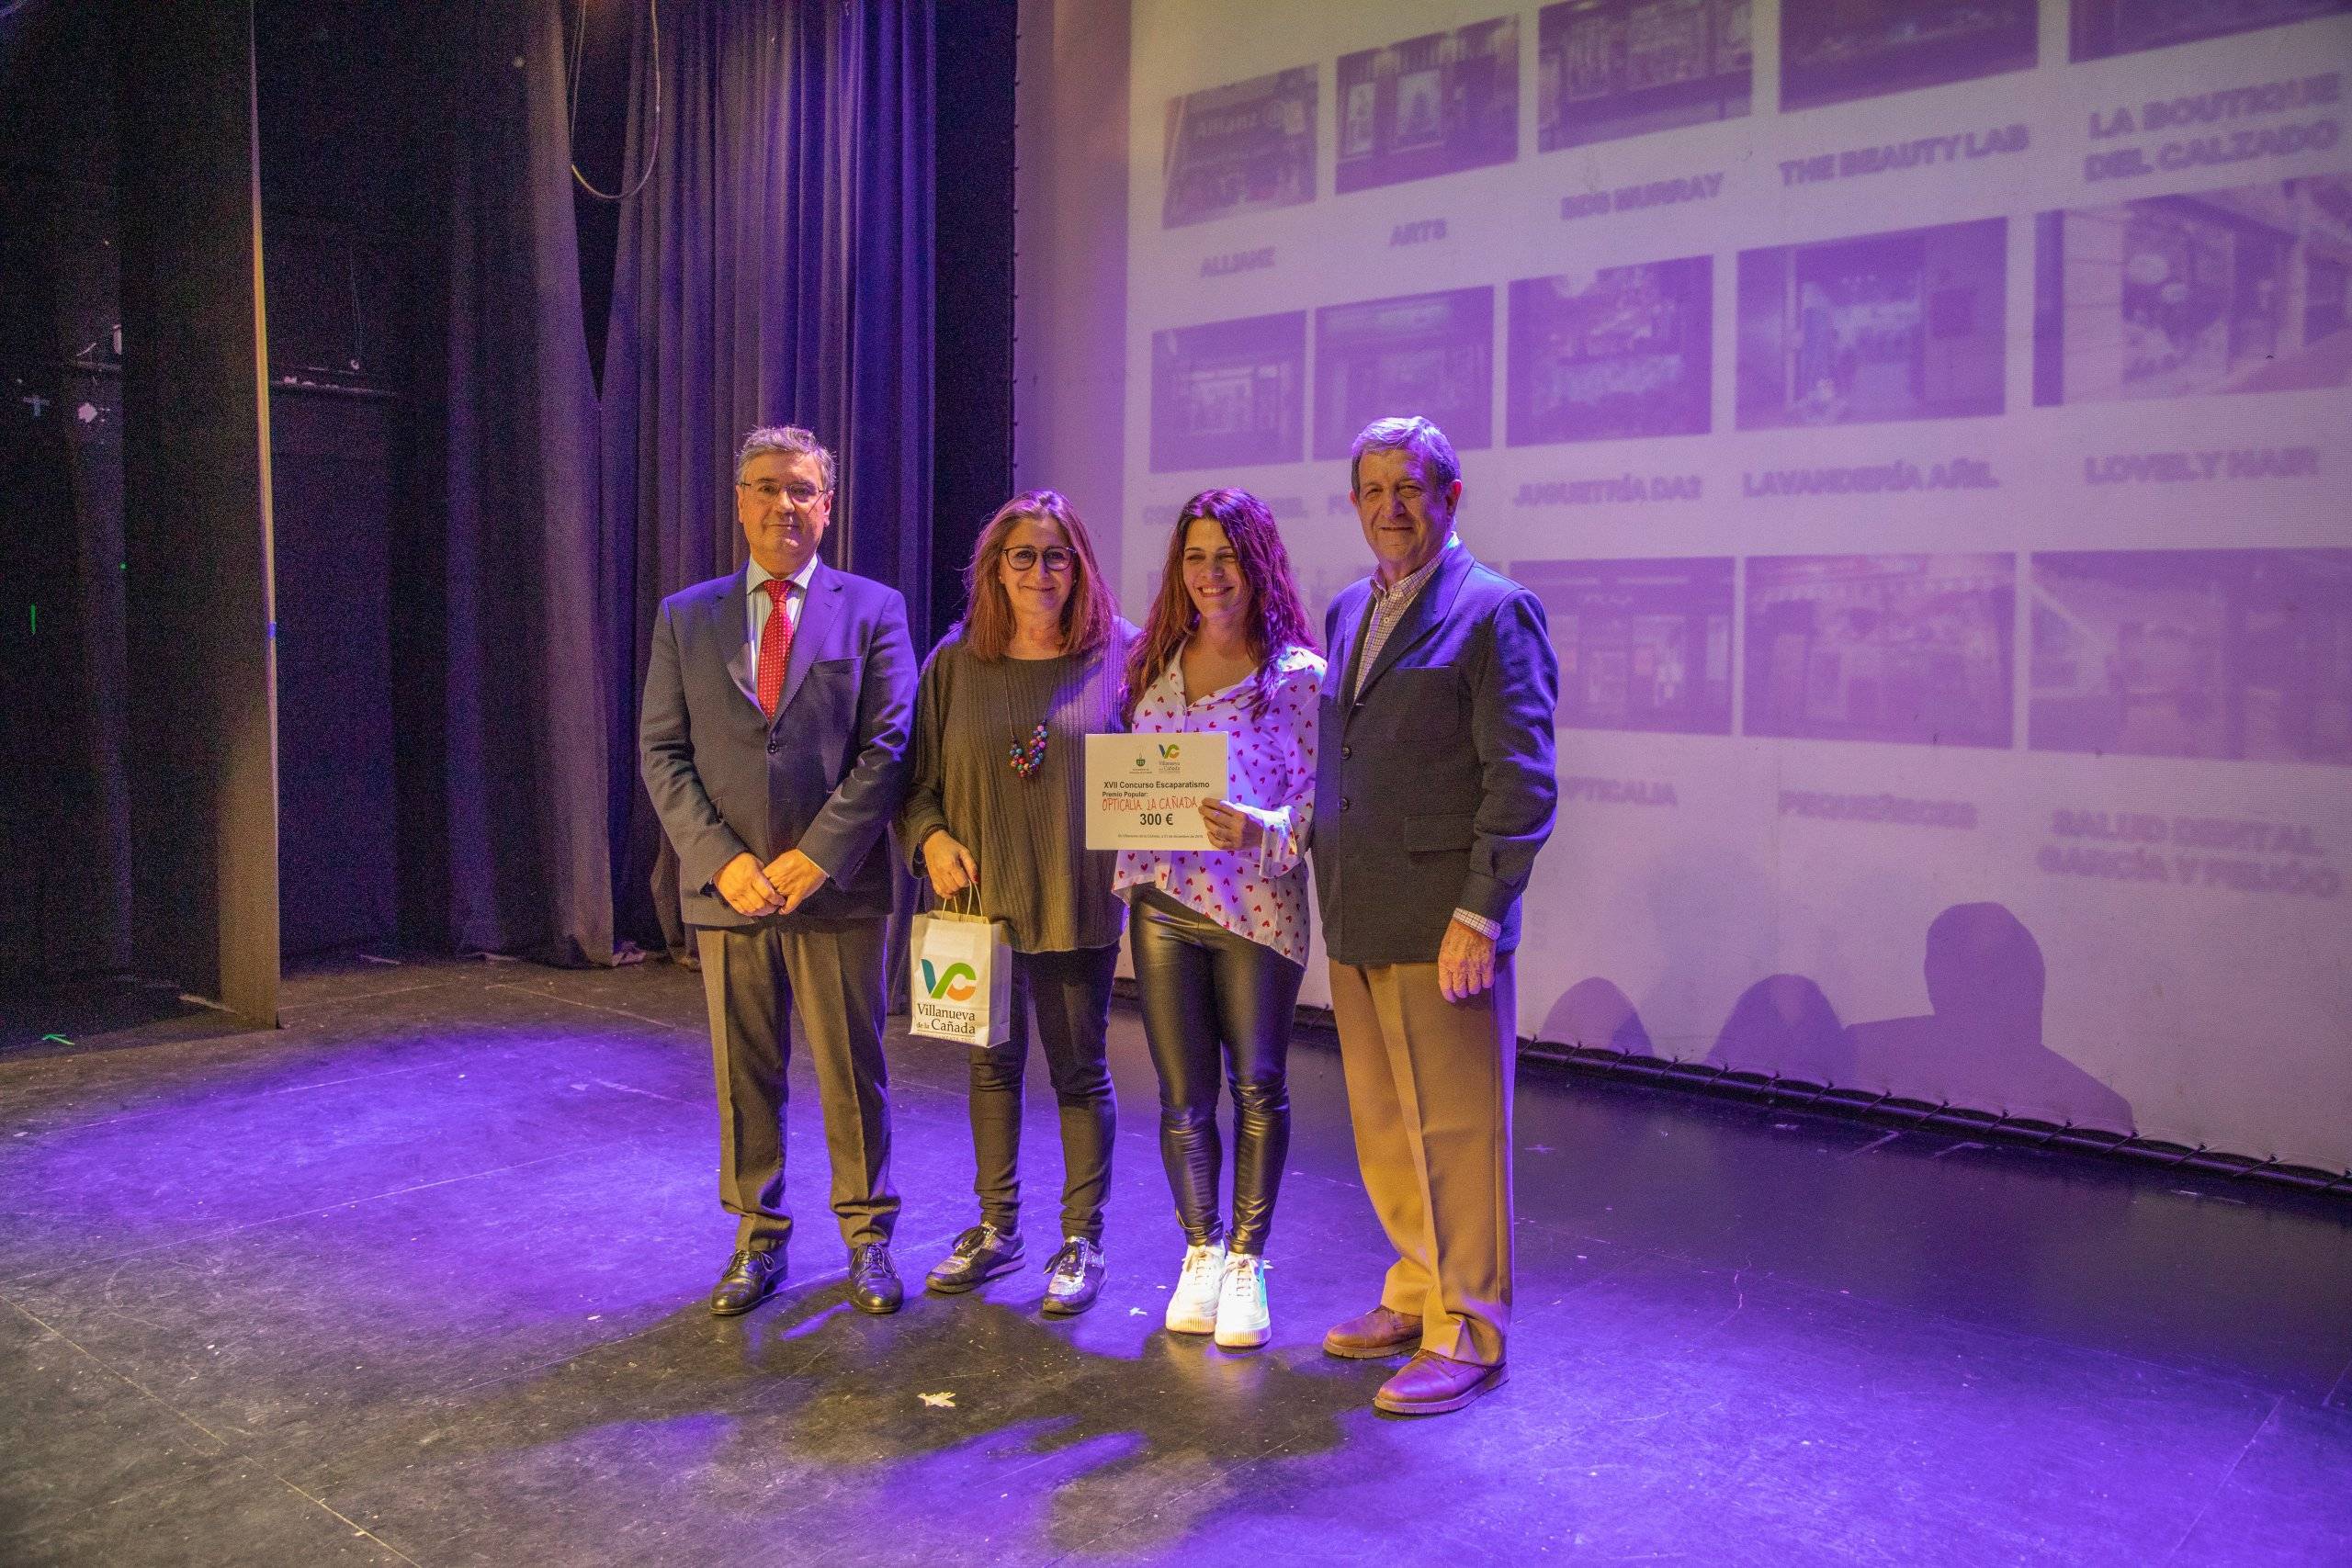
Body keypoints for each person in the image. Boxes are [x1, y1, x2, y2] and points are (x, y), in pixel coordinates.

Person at [639, 425, 915, 1319]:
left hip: (835, 888)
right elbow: (661, 753)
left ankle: (867, 1237)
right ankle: (758, 1238)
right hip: (731, 894)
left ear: (826, 506)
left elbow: (887, 748)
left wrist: (815, 856)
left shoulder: (874, 609)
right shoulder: (687, 616)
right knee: (743, 1073)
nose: (782, 505)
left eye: (800, 490)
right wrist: (722, 864)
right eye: (765, 487)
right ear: (740, 501)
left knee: (850, 1068)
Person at [1314, 415, 1558, 1415]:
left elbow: (1523, 781)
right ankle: (1417, 1292)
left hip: (1442, 922)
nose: (1389, 508)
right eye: (1372, 491)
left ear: (1449, 498)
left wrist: (1479, 912)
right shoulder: (1343, 612)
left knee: (1457, 1131)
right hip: (1357, 912)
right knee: (1384, 1126)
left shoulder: (1497, 612)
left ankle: (1472, 1328)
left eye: (1408, 489)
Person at [899, 491, 1136, 1315]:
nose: (1040, 571)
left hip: (1077, 901)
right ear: (996, 569)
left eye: (1057, 556)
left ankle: (1082, 1240)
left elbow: (1160, 776)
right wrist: (928, 838)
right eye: (1022, 556)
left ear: (1081, 569)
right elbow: (916, 784)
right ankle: (998, 1229)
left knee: (1080, 1071)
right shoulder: (955, 663)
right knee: (990, 1068)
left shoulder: (1124, 657)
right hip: (976, 908)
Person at [1114, 489, 1323, 1349]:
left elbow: (1323, 798)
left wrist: (1269, 828)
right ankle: (1200, 1250)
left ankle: (1248, 1259)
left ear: (1258, 562)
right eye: (1196, 558)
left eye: (1227, 558)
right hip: (1163, 903)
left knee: (1258, 1086)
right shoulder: (1153, 663)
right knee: (1182, 1095)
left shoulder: (1299, 676)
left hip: (1254, 907)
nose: (1211, 575)